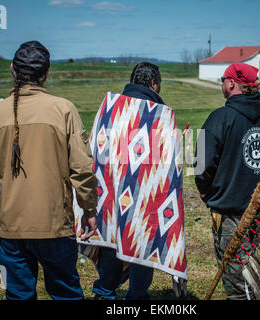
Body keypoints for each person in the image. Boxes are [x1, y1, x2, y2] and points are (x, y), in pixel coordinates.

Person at [0, 41, 98, 300]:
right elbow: (81, 169)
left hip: (10, 225)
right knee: (65, 293)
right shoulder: (63, 109)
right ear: (46, 74)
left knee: (18, 294)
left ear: (12, 70)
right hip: (53, 223)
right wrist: (89, 209)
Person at [194, 62, 260, 300]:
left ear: (232, 83)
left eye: (223, 79)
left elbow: (200, 163)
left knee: (236, 279)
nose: (222, 83)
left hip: (230, 214)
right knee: (259, 271)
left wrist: (205, 191)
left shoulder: (218, 118)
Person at [92, 62, 165, 300]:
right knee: (141, 243)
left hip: (112, 190)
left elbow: (96, 148)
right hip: (145, 192)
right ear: (154, 84)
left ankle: (104, 290)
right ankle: (136, 296)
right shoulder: (158, 113)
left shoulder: (110, 108)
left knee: (112, 239)